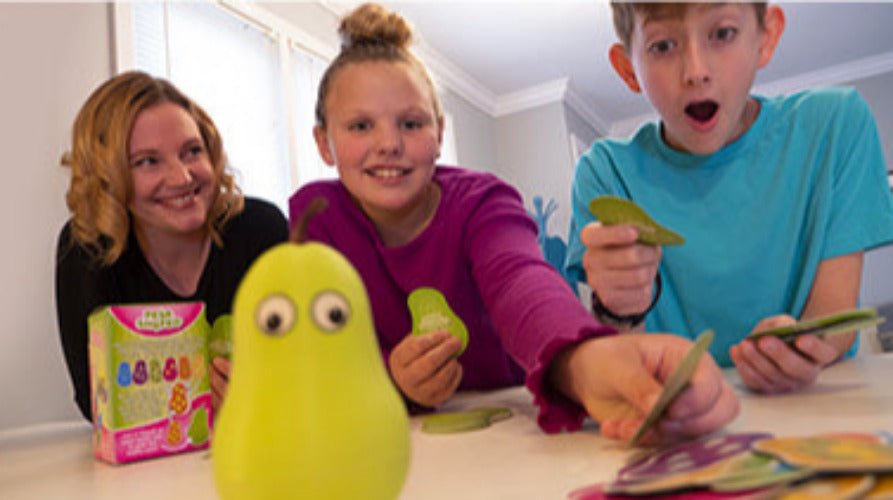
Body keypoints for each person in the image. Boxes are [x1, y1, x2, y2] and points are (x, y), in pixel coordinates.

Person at [282, 2, 737, 443]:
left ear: (439, 134)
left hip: (515, 420)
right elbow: (320, 353)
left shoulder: (483, 201)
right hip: (399, 439)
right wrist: (391, 378)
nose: (388, 144)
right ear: (324, 143)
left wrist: (583, 360)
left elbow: (521, 282)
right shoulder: (314, 218)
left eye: (411, 123)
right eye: (360, 126)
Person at [565, 2, 893, 395]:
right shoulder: (604, 173)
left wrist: (804, 346)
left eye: (722, 34)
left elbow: (834, 309)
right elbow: (619, 353)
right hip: (677, 423)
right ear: (627, 68)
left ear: (765, 37)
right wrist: (615, 307)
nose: (696, 71)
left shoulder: (837, 126)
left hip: (816, 410)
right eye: (663, 46)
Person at [55, 71, 289, 421]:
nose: (182, 178)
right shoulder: (86, 248)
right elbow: (96, 401)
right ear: (106, 175)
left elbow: (309, 359)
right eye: (147, 161)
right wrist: (200, 398)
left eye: (192, 151)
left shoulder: (261, 229)